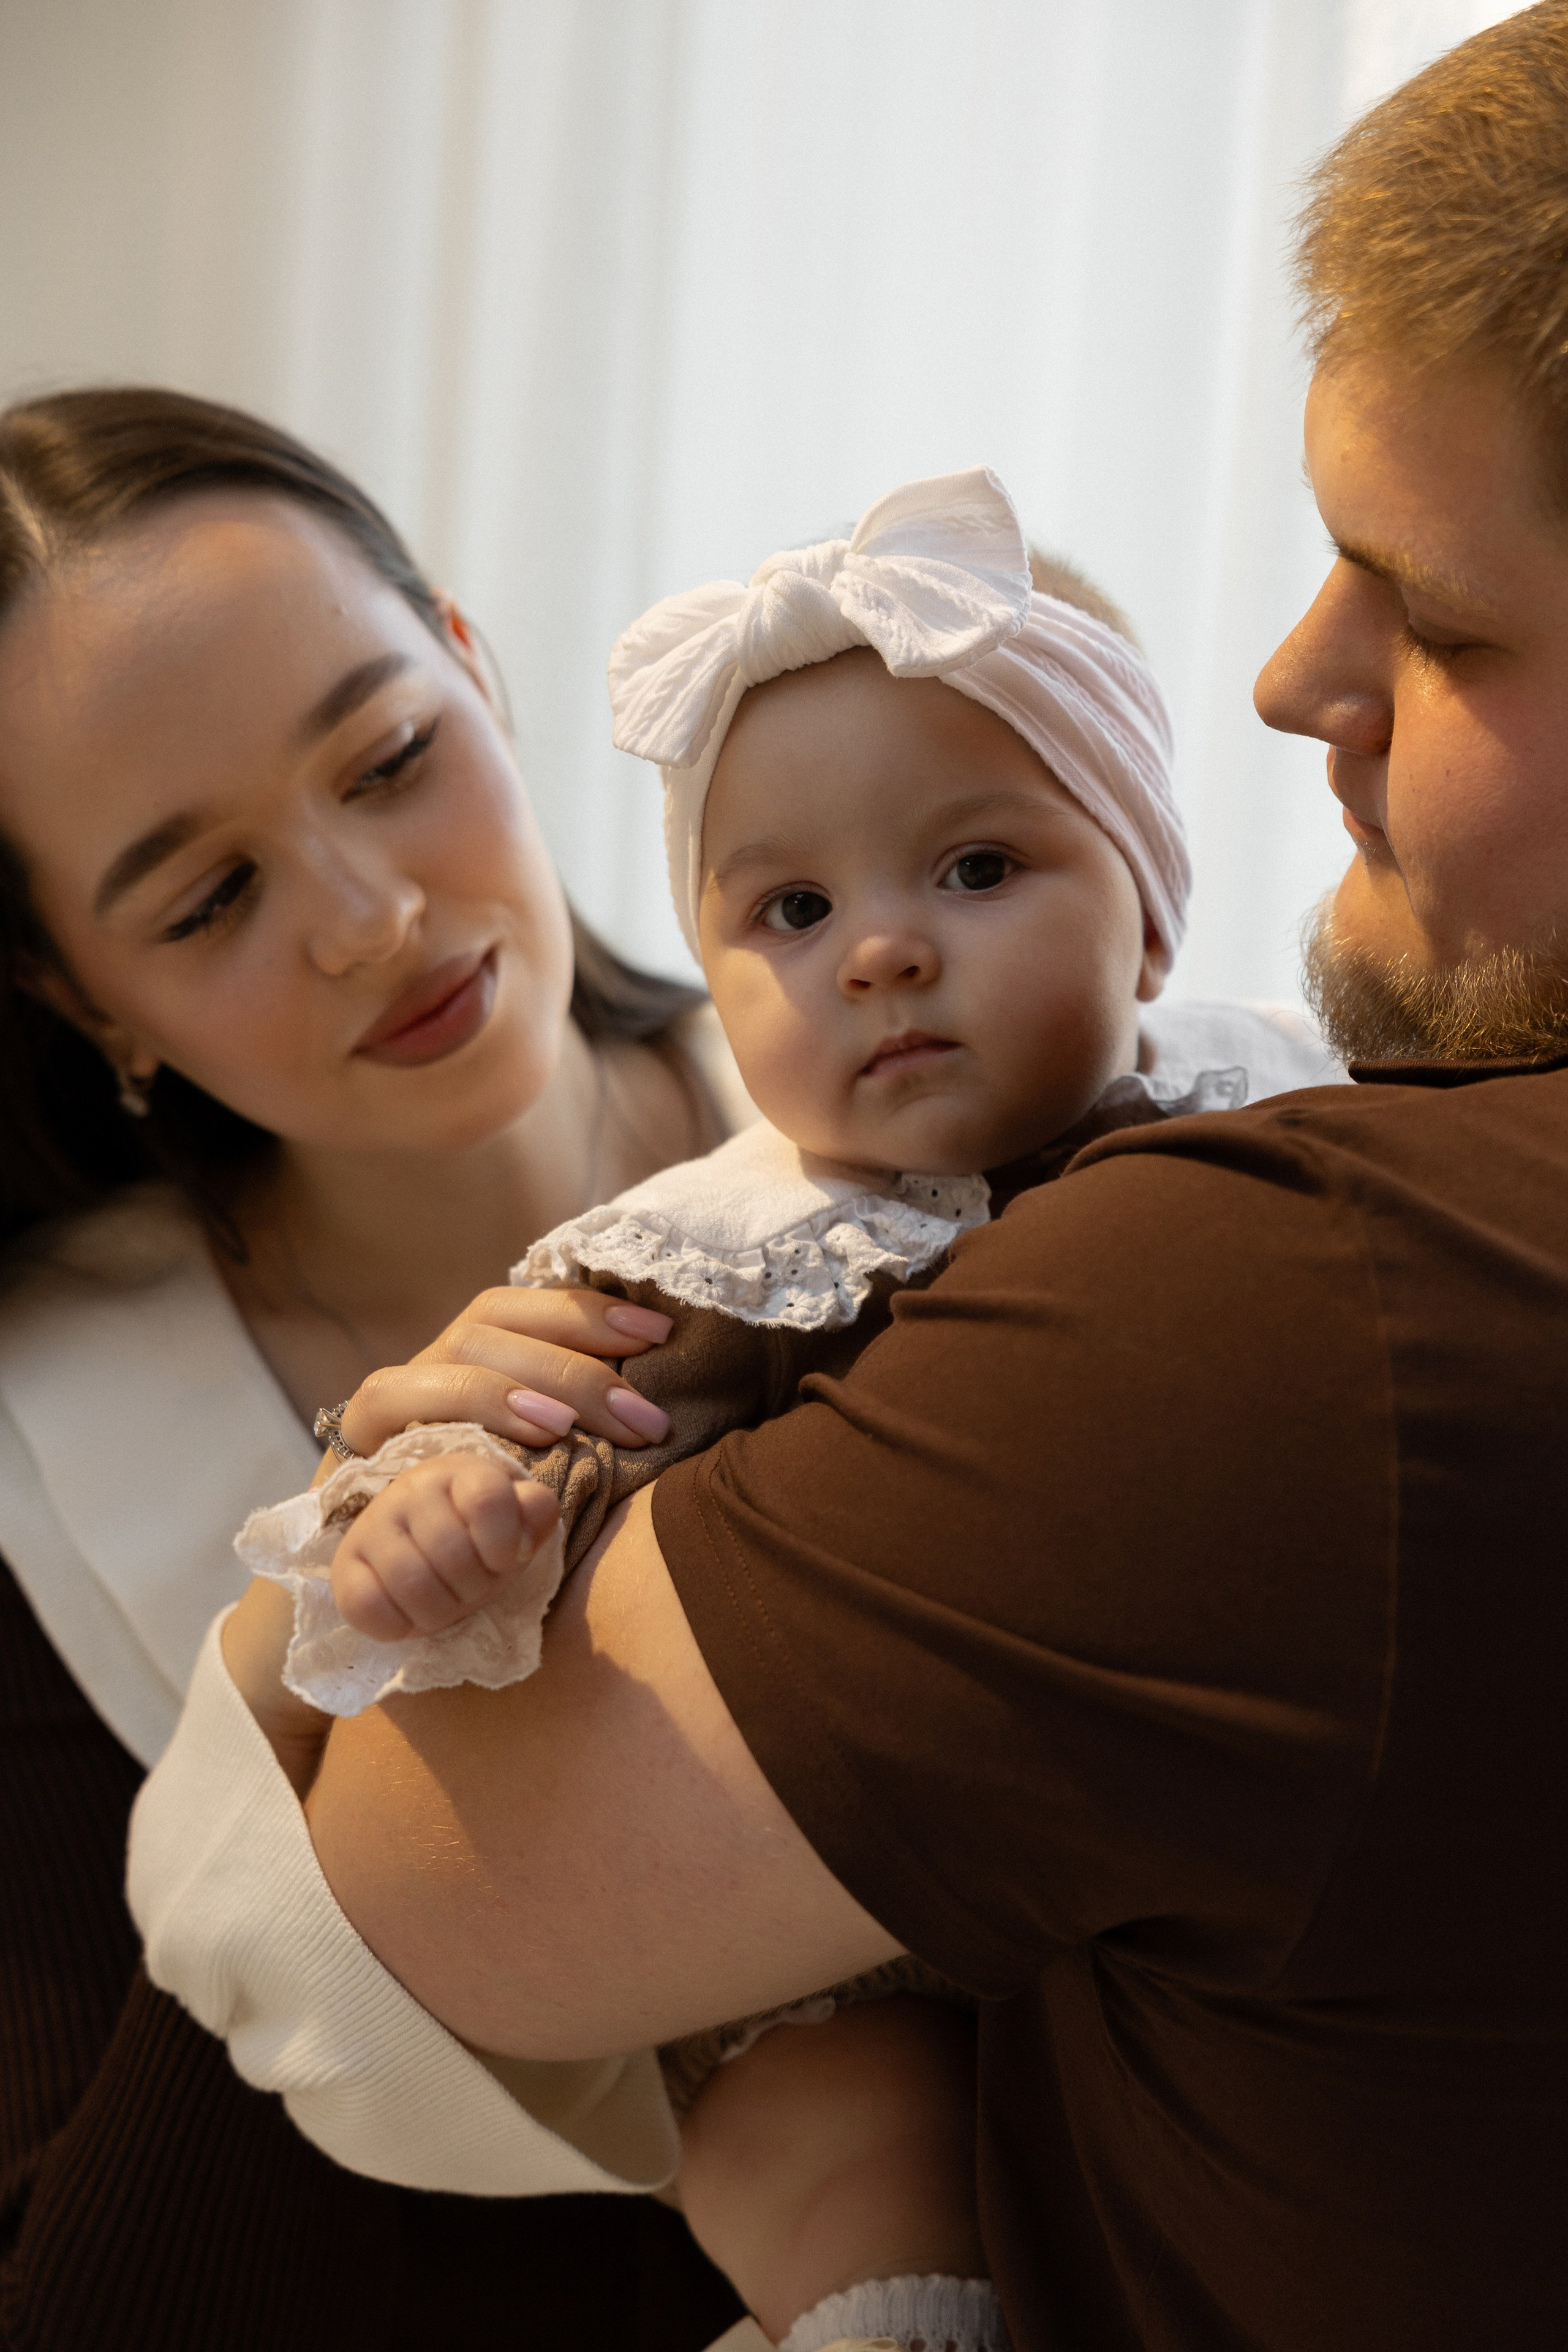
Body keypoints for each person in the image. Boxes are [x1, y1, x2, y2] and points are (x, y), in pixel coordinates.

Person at [239, 467, 1322, 2352]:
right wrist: (432, 1503)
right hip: (851, 1926)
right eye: (795, 909)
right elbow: (526, 1402)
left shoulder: (1277, 1109)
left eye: (979, 871)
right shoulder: (738, 1242)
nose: (882, 951)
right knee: (824, 2141)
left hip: (1175, 1874)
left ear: (1150, 918)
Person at [0, 386, 755, 2351]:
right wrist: (295, 1691)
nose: (370, 916)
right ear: (86, 997)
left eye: (393, 754)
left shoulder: (937, 1133)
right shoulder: (53, 1464)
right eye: (210, 896)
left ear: (476, 663)